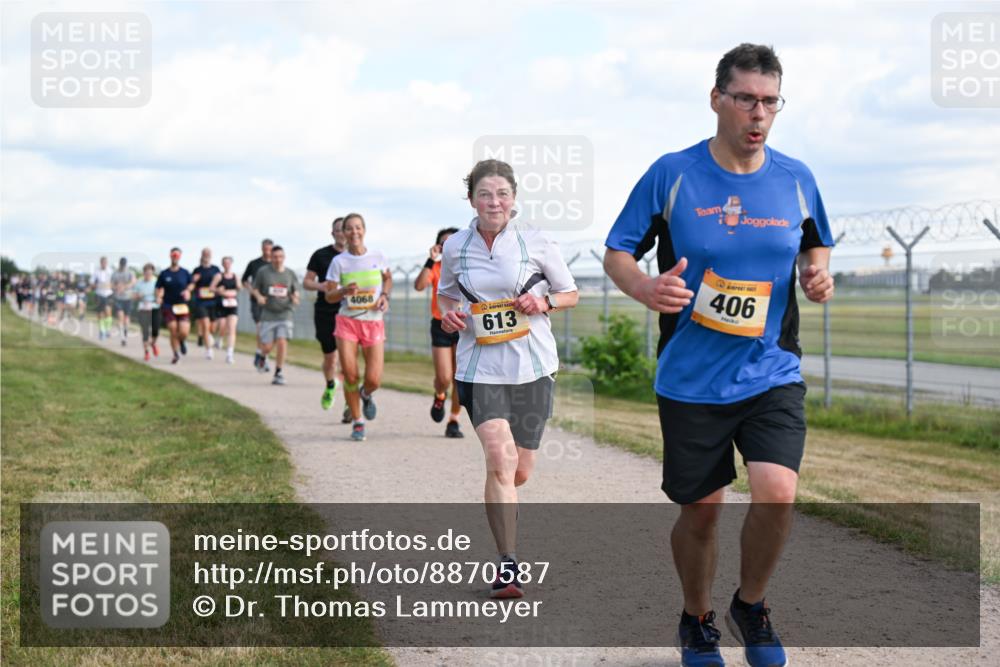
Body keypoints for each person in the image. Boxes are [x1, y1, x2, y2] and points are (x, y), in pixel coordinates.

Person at [603, 44, 835, 667]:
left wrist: (817, 274)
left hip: (771, 368)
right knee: (702, 511)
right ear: (717, 100)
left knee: (777, 491)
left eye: (771, 102)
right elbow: (618, 251)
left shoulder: (796, 178)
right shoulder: (672, 173)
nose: (759, 114)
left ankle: (750, 606)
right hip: (691, 378)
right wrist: (644, 288)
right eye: (746, 99)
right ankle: (697, 618)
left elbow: (816, 243)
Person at [438, 159, 578, 598]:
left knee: (519, 471)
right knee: (500, 461)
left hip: (533, 366)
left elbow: (570, 293)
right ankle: (507, 565)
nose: (493, 202)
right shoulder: (456, 246)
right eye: (484, 194)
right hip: (479, 368)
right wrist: (449, 316)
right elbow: (445, 297)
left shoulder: (535, 239)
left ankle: (500, 500)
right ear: (471, 199)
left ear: (514, 198)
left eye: (501, 193)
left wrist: (544, 304)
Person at [323, 213, 391, 441]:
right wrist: (343, 291)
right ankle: (357, 421)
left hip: (373, 321)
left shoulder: (378, 256)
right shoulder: (338, 262)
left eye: (358, 227)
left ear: (364, 230)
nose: (354, 232)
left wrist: (385, 296)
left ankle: (366, 394)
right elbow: (329, 296)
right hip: (347, 322)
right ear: (343, 233)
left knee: (374, 379)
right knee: (350, 375)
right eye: (349, 228)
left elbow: (387, 278)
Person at [414, 226, 464, 438]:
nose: (448, 246)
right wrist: (430, 260)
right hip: (441, 324)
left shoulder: (469, 266)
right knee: (444, 377)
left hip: (464, 326)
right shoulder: (436, 267)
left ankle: (454, 420)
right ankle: (440, 394)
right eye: (444, 243)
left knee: (460, 378)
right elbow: (419, 286)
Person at [304, 217, 346, 411]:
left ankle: (350, 402)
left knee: (346, 359)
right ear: (333, 233)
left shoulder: (357, 257)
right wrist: (321, 286)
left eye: (345, 229)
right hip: (325, 311)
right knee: (331, 358)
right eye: (338, 230)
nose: (342, 233)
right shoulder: (320, 255)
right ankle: (330, 385)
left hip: (348, 312)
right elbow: (307, 281)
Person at [250, 245, 300, 385]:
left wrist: (295, 297)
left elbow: (295, 290)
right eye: (275, 257)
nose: (278, 260)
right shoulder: (263, 272)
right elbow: (254, 288)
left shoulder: (290, 273)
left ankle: (278, 372)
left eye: (280, 257)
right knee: (267, 346)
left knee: (282, 341)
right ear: (271, 258)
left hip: (285, 313)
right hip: (268, 314)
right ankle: (262, 356)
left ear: (284, 257)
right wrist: (259, 297)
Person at [155, 247, 194, 364]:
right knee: (173, 329)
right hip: (168, 305)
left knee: (184, 331)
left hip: (182, 305)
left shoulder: (185, 272)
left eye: (177, 255)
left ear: (180, 257)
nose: (175, 257)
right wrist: (158, 296)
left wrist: (188, 291)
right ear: (170, 256)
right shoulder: (164, 273)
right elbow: (158, 288)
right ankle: (175, 354)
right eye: (173, 255)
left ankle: (182, 341)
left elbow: (192, 284)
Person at [242, 238, 274, 372]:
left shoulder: (275, 264)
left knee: (270, 331)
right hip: (256, 301)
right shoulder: (254, 264)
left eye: (269, 249)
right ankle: (262, 356)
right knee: (261, 328)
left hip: (272, 302)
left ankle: (260, 354)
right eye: (265, 249)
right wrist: (252, 292)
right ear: (262, 249)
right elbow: (244, 280)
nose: (267, 252)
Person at [190, 248, 222, 359]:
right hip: (201, 302)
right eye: (205, 254)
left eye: (208, 254)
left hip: (213, 301)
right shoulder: (197, 270)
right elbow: (192, 283)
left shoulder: (215, 269)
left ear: (211, 256)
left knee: (212, 328)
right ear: (202, 255)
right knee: (205, 324)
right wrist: (194, 280)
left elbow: (221, 283)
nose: (206, 256)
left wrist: (218, 284)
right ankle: (209, 350)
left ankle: (209, 336)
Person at [209, 255, 241, 364]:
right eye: (225, 263)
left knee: (232, 328)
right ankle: (219, 338)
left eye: (229, 263)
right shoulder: (219, 276)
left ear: (231, 264)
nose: (227, 265)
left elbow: (239, 287)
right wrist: (219, 290)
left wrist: (236, 290)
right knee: (222, 326)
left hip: (232, 304)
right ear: (223, 264)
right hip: (221, 304)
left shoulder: (235, 276)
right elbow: (211, 288)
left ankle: (229, 354)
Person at [133, 263, 161, 362]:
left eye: (150, 273)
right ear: (144, 273)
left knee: (155, 331)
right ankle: (146, 352)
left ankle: (153, 343)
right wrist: (138, 296)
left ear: (152, 273)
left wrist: (159, 298)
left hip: (154, 307)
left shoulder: (157, 281)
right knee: (145, 331)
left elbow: (161, 292)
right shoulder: (139, 282)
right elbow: (133, 296)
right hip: (143, 308)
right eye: (146, 273)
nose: (148, 274)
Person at [111, 257, 135, 346]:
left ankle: (125, 332)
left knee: (127, 318)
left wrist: (124, 287)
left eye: (124, 264)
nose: (122, 266)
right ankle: (122, 337)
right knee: (120, 316)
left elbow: (133, 282)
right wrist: (116, 287)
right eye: (121, 264)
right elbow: (111, 284)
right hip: (118, 298)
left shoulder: (130, 272)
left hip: (128, 298)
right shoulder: (115, 274)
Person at [92, 256, 114, 339]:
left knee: (108, 311)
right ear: (100, 263)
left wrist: (110, 285)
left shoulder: (110, 271)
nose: (104, 264)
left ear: (107, 263)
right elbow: (92, 282)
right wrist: (98, 285)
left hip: (108, 294)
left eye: (105, 262)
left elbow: (114, 282)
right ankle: (102, 330)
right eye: (102, 262)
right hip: (99, 294)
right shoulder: (96, 271)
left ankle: (107, 329)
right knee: (100, 313)